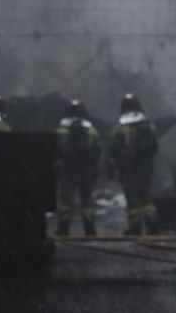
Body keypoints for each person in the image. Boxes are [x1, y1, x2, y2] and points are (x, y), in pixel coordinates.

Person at [108, 92, 159, 235]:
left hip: (128, 166)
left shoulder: (119, 126)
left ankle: (135, 228)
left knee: (132, 196)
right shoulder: (147, 124)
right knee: (146, 196)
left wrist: (118, 161)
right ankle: (152, 225)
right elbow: (154, 145)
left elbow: (113, 147)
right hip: (145, 165)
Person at [54, 99, 100, 236]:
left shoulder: (62, 129)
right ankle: (89, 228)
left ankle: (64, 228)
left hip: (68, 168)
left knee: (65, 200)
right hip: (86, 168)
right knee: (87, 199)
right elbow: (97, 149)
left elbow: (56, 149)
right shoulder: (91, 129)